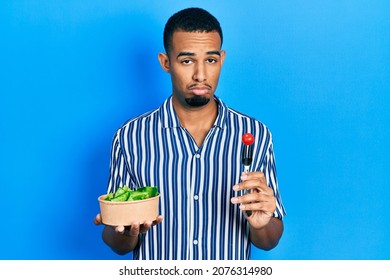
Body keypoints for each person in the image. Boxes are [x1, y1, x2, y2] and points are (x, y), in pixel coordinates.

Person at [94, 7, 286, 260]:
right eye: (187, 61)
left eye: (211, 60)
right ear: (165, 62)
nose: (200, 74)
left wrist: (261, 223)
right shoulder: (130, 137)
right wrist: (127, 232)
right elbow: (117, 242)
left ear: (222, 59)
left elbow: (269, 240)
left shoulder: (255, 135)